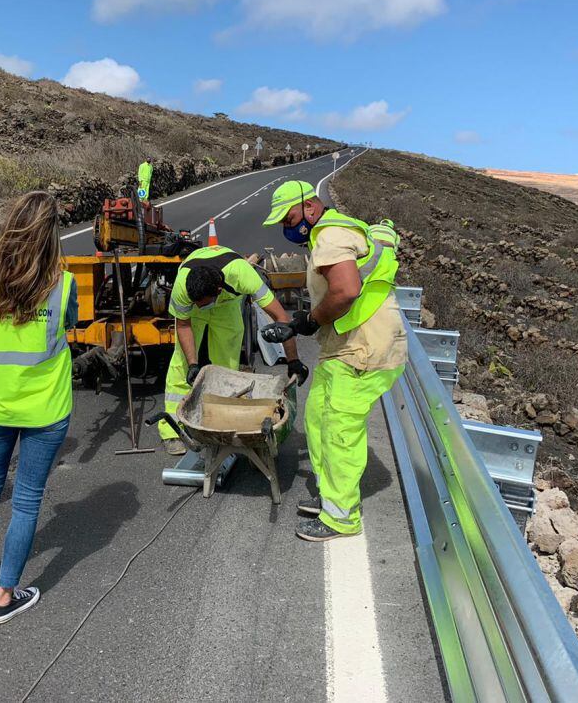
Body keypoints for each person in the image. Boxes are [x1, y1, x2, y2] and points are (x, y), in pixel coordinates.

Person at [0, 191, 79, 624]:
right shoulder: (63, 284)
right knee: (26, 501)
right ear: (50, 234)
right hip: (46, 411)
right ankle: (5, 596)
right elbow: (71, 324)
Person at [261, 180, 406, 543]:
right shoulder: (327, 236)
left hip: (363, 348)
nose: (286, 228)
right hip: (343, 346)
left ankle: (342, 517)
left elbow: (346, 290)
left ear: (310, 206)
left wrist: (307, 322)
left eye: (290, 218)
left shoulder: (330, 235)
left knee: (340, 430)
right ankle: (330, 498)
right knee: (318, 419)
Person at [159, 244, 309, 455]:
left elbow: (281, 318)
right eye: (198, 303)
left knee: (227, 365)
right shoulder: (183, 286)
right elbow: (183, 325)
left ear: (218, 291)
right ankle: (172, 429)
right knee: (180, 364)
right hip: (198, 300)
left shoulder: (243, 275)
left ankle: (220, 422)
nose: (201, 307)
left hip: (227, 304)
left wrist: (293, 361)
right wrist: (193, 363)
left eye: (204, 304)